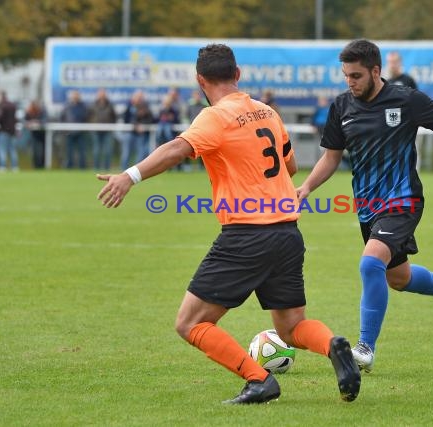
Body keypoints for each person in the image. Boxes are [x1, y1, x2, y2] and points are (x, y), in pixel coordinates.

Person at [96, 43, 361, 404]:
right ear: (237, 75)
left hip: (246, 236)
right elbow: (291, 167)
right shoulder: (267, 111)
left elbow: (177, 149)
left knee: (190, 323)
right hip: (287, 233)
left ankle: (259, 380)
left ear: (200, 81)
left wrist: (130, 175)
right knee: (292, 326)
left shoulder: (214, 117)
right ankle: (332, 346)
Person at [296, 39, 433, 373]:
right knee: (397, 277)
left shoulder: (405, 99)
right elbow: (331, 157)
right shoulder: (342, 107)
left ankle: (365, 348)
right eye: (346, 76)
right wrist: (307, 187)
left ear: (375, 71)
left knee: (371, 265)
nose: (350, 82)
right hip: (368, 206)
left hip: (403, 200)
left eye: (356, 75)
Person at [121, 90, 154, 170]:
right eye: (137, 97)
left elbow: (150, 119)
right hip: (130, 133)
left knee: (141, 153)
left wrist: (143, 126)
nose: (139, 99)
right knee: (126, 152)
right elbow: (126, 119)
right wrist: (136, 125)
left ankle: (137, 170)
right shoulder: (129, 106)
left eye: (140, 97)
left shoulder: (146, 107)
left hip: (141, 135)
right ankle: (124, 170)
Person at [89, 88, 117, 170]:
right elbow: (89, 116)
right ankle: (96, 168)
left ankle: (107, 168)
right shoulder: (93, 105)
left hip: (107, 131)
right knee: (96, 151)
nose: (102, 95)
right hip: (96, 131)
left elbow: (114, 117)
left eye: (103, 93)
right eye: (100, 93)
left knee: (108, 151)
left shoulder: (110, 105)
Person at [60, 90, 88, 169]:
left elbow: (85, 117)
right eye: (73, 96)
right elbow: (62, 118)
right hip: (69, 133)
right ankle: (69, 167)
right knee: (69, 152)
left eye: (76, 96)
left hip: (80, 133)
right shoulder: (67, 106)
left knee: (82, 151)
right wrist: (64, 130)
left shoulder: (83, 106)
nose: (75, 97)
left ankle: (82, 167)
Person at [0, 91, 19, 171]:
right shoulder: (13, 105)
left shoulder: (1, 106)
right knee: (12, 149)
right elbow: (15, 118)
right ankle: (15, 167)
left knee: (2, 149)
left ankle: (3, 166)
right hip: (12, 131)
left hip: (4, 131)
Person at [24, 100, 47, 169]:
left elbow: (45, 120)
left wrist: (38, 122)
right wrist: (29, 123)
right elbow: (24, 120)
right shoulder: (29, 111)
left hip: (42, 134)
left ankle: (41, 166)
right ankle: (35, 166)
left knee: (42, 151)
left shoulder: (42, 111)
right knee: (34, 151)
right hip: (33, 134)